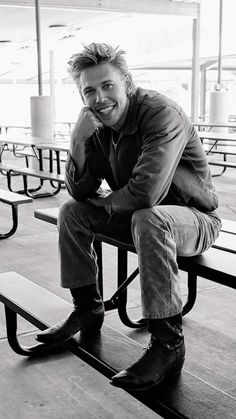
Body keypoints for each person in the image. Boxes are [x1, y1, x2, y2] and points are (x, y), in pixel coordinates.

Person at [36, 42, 221, 391]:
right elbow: (80, 192)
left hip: (193, 220)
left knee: (148, 217)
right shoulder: (94, 125)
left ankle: (168, 345)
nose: (100, 97)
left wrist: (107, 202)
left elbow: (146, 193)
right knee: (72, 211)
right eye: (89, 90)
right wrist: (76, 142)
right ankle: (87, 309)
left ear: (128, 84)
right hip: (139, 217)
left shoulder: (160, 112)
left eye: (108, 86)